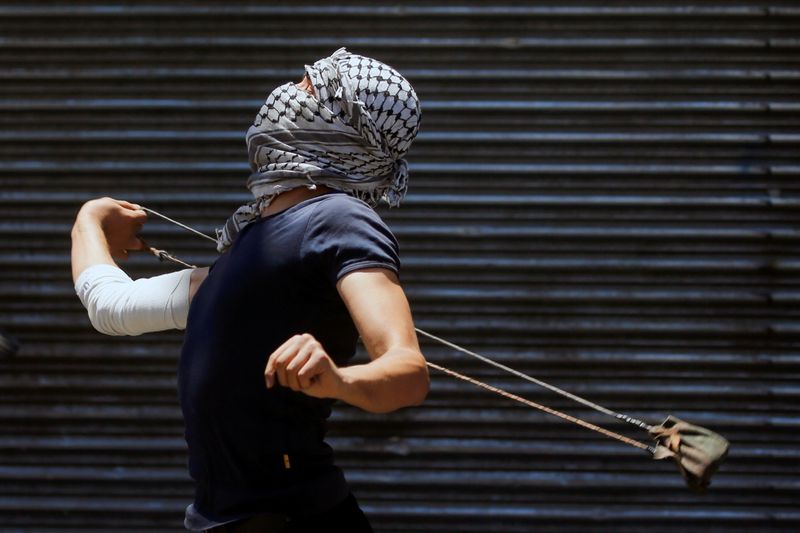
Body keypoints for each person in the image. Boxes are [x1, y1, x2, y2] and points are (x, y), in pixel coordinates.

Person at [71, 48, 428, 532]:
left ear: (345, 127)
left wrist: (339, 381)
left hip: (294, 516)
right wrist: (90, 218)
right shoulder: (247, 248)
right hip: (225, 520)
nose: (288, 92)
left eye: (310, 87)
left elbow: (407, 372)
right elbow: (113, 308)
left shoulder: (339, 218)